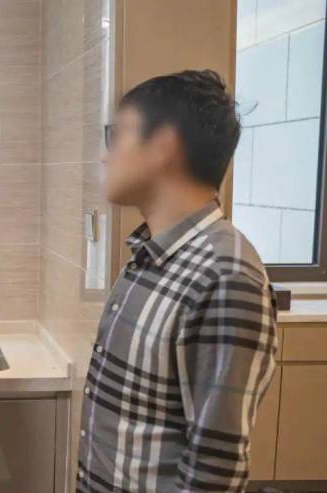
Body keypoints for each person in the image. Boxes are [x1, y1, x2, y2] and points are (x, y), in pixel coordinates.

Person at [78, 70, 277, 492]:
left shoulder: (226, 275)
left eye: (117, 135)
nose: (105, 156)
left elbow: (214, 467)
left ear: (163, 146)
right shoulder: (150, 256)